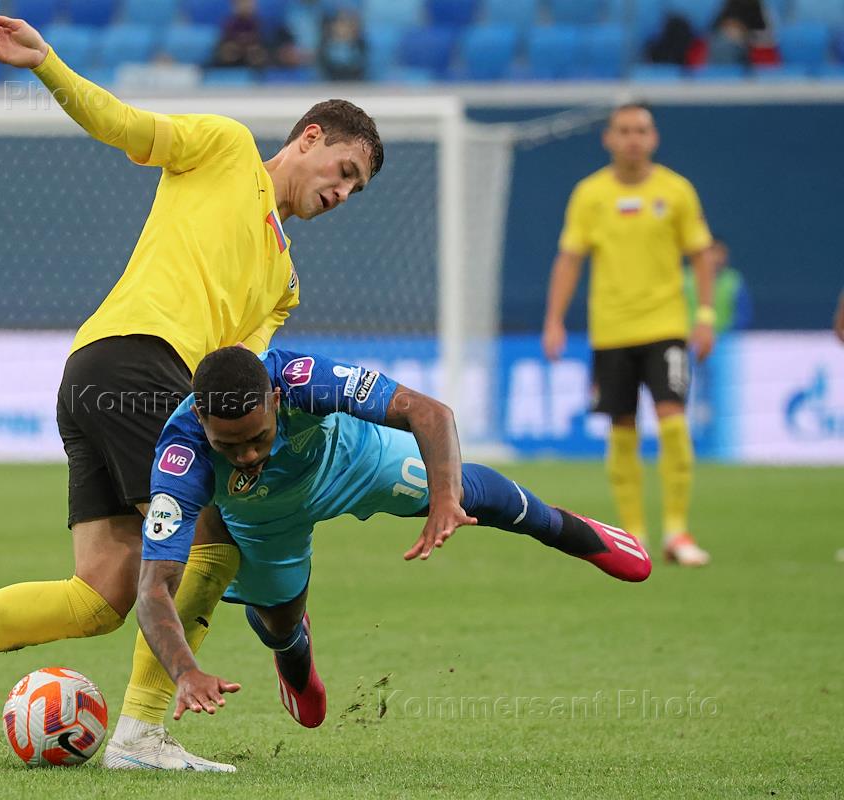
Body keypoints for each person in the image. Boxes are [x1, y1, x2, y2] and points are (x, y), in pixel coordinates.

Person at [0, 10, 383, 772]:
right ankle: (140, 736)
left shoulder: (284, 282)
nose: (345, 192)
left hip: (100, 377)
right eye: (345, 170)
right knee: (212, 540)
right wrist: (46, 64)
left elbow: (241, 382)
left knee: (102, 592)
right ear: (310, 138)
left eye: (357, 188)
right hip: (138, 364)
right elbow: (122, 125)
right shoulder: (227, 147)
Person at [136, 347, 651, 731]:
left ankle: (573, 532)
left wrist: (445, 500)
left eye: (257, 438)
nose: (247, 455)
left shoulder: (302, 378)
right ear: (200, 419)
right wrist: (185, 672)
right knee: (279, 622)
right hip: (265, 518)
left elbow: (429, 412)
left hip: (352, 462)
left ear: (274, 400)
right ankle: (294, 657)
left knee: (466, 492)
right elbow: (153, 588)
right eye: (229, 446)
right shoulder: (180, 459)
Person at [542, 102, 715, 567]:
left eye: (641, 130)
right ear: (609, 139)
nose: (633, 139)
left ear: (653, 138)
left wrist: (705, 315)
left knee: (672, 419)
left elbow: (700, 254)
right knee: (622, 428)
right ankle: (634, 533)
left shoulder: (676, 191)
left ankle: (677, 530)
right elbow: (570, 259)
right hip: (611, 331)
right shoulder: (590, 194)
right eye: (624, 130)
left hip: (666, 326)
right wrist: (554, 319)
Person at [683, 239, 751, 334]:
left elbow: (743, 315)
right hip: (688, 337)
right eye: (713, 252)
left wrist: (724, 334)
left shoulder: (733, 279)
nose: (717, 257)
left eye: (721, 253)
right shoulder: (684, 278)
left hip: (727, 339)